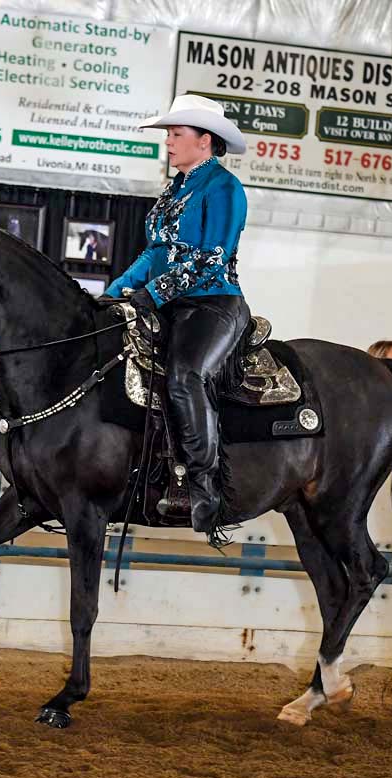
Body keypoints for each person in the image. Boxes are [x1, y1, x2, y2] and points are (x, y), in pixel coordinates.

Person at [104, 94, 250, 540]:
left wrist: (153, 293)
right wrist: (111, 295)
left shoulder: (224, 188)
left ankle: (203, 489)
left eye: (175, 134)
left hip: (213, 303)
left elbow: (212, 257)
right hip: (171, 305)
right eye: (168, 134)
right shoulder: (175, 190)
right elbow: (156, 252)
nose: (167, 142)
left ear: (205, 141)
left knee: (186, 376)